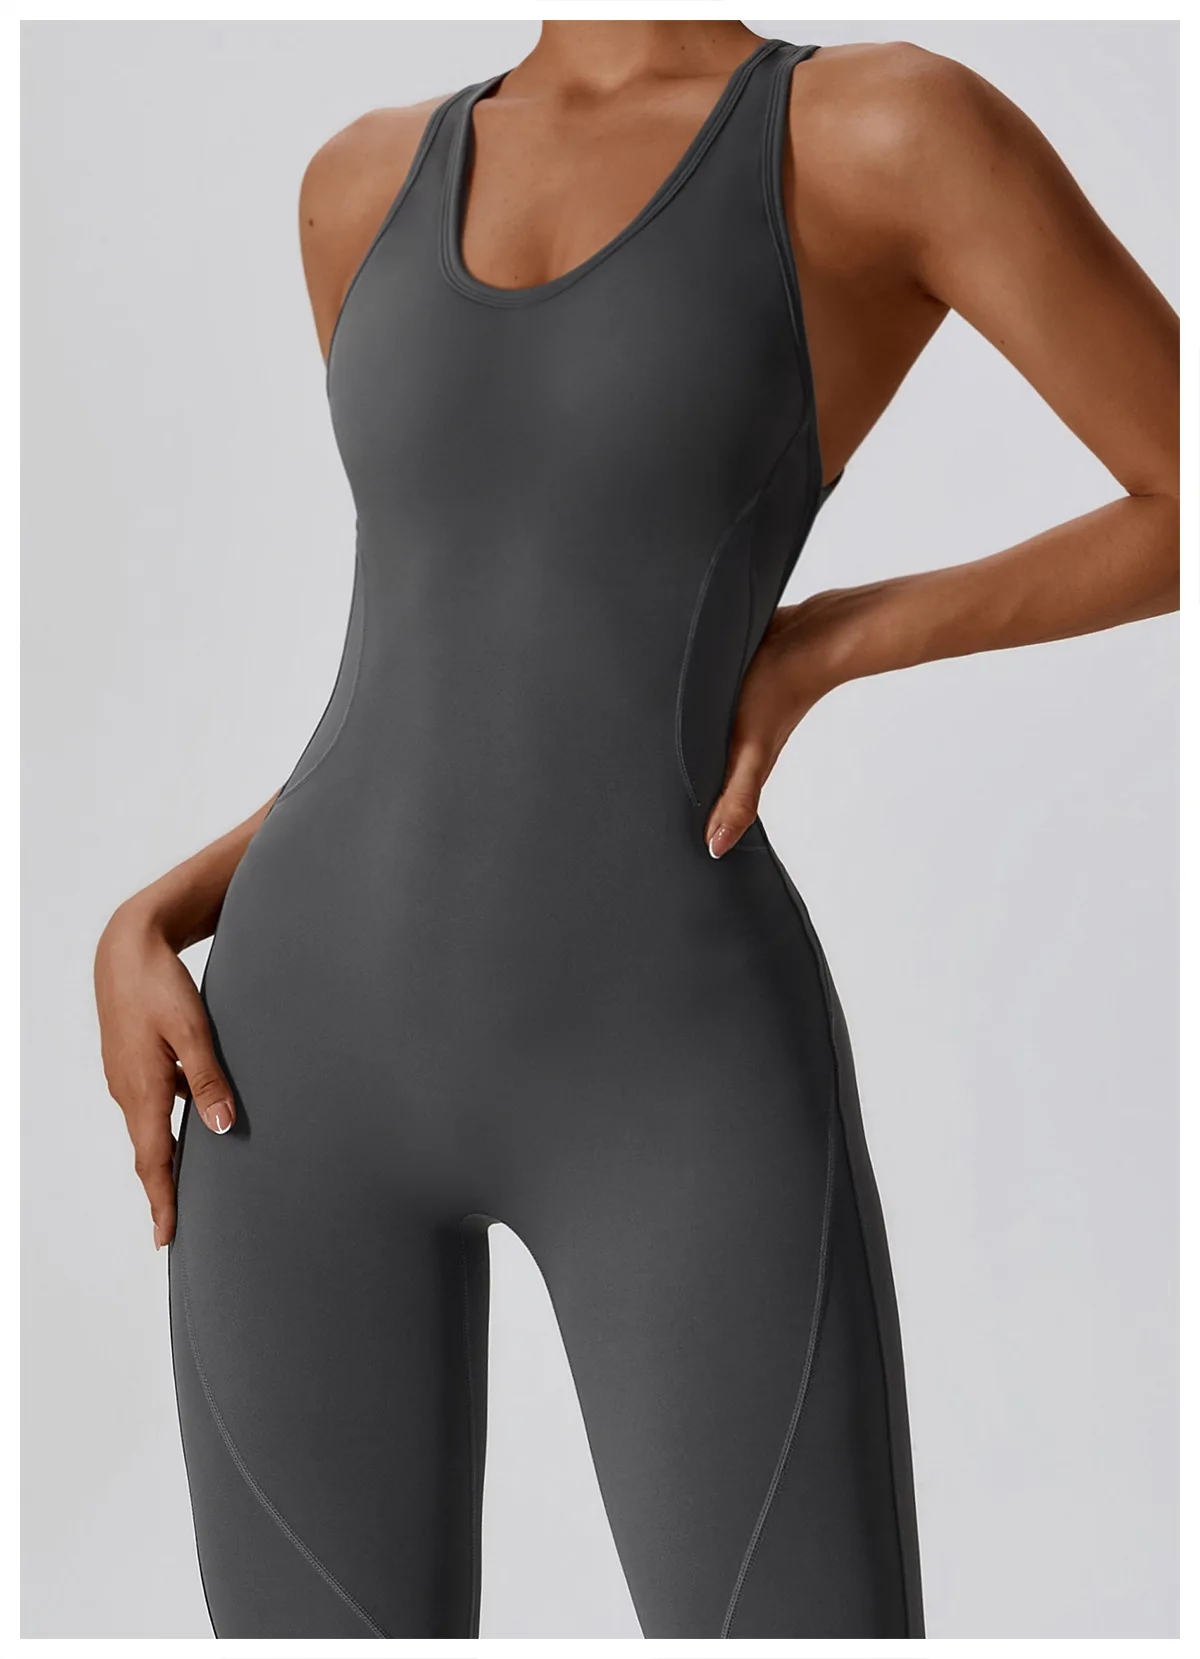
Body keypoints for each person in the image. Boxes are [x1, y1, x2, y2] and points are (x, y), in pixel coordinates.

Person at [93, 21, 1178, 1640]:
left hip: (668, 1071)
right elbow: (439, 682)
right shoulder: (360, 181)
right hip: (289, 1077)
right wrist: (154, 912)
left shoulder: (878, 131)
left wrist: (834, 637)